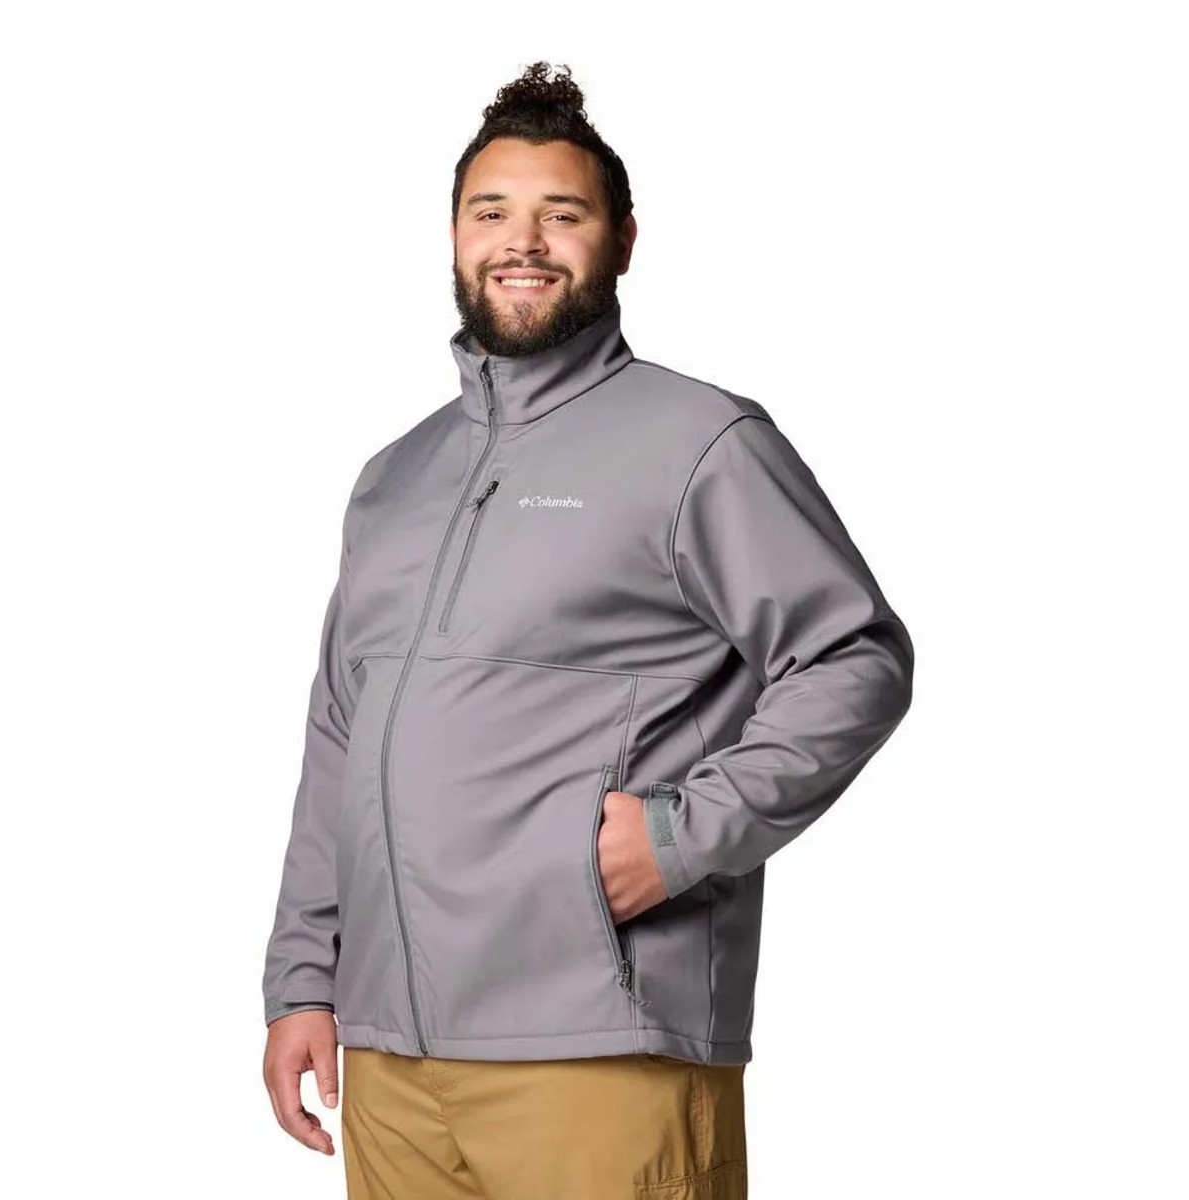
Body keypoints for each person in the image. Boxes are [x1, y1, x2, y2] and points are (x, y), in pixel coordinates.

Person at [261, 61, 914, 1199]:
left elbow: (853, 658)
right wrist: (304, 981)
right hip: (390, 1057)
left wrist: (679, 838)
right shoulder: (394, 477)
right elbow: (339, 739)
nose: (522, 241)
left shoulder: (701, 441)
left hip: (599, 1046)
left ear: (621, 241)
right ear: (454, 236)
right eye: (491, 213)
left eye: (561, 215)